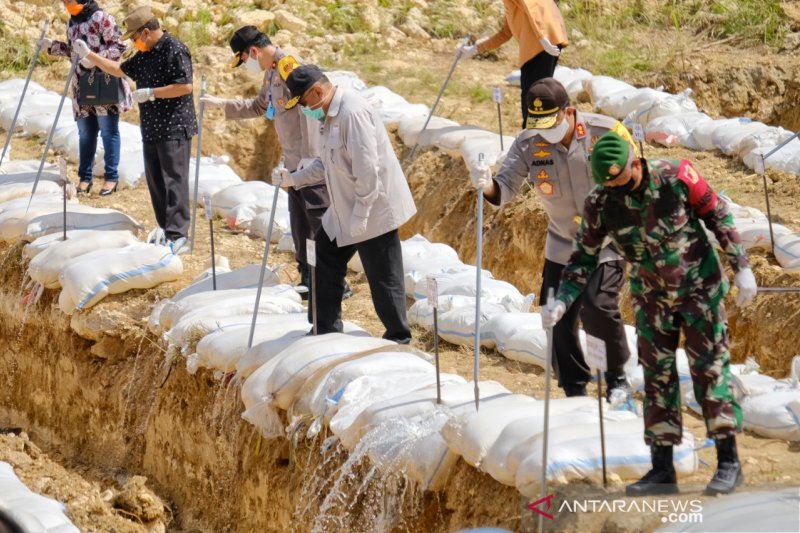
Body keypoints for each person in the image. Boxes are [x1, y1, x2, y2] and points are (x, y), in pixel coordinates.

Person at [543, 131, 757, 496]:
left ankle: (728, 463)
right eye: (609, 185)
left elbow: (717, 213)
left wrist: (742, 265)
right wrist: (563, 301)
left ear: (636, 164)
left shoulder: (676, 176)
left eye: (621, 181)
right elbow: (582, 258)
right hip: (651, 297)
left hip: (698, 290)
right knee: (657, 379)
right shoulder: (601, 202)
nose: (618, 191)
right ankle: (662, 469)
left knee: (710, 372)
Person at [470, 77, 633, 398]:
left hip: (606, 241)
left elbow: (636, 176)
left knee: (597, 306)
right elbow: (504, 190)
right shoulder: (528, 143)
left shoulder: (606, 132)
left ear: (568, 112)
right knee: (554, 315)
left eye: (551, 123)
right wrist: (486, 184)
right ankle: (574, 387)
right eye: (538, 124)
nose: (545, 131)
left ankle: (617, 379)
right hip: (563, 243)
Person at [199, 26, 349, 298]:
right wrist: (221, 104)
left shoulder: (289, 68)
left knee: (319, 222)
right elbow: (260, 106)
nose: (247, 65)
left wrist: (311, 161)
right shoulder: (271, 71)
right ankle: (309, 275)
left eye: (244, 59)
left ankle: (336, 281)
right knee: (300, 223)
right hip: (293, 162)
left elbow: (309, 114)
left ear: (253, 51)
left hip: (308, 165)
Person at [283, 65, 417, 343]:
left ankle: (398, 338)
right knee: (321, 256)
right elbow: (325, 163)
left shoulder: (352, 113)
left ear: (318, 91)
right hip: (344, 208)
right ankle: (325, 328)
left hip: (373, 208)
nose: (306, 110)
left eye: (305, 103)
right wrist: (294, 179)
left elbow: (369, 171)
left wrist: (361, 215)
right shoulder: (328, 116)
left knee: (383, 277)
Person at [72, 5, 197, 253]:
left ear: (147, 32)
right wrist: (90, 56)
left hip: (173, 126)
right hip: (151, 127)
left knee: (174, 180)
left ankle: (179, 234)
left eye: (136, 37)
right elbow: (120, 69)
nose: (135, 43)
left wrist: (152, 93)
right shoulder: (146, 53)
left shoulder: (175, 49)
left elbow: (185, 86)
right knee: (156, 181)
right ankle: (165, 229)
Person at [39, 0, 131, 196]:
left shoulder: (102, 18)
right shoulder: (72, 22)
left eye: (69, 1)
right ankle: (85, 178)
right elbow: (74, 52)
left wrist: (94, 57)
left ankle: (111, 178)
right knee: (85, 132)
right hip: (81, 84)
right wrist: (52, 46)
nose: (66, 5)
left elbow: (120, 47)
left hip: (103, 81)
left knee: (108, 131)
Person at [459, 0, 568, 128]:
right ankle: (535, 135)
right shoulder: (510, 4)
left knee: (535, 96)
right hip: (538, 46)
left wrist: (542, 38)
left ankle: (534, 137)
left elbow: (532, 6)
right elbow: (505, 33)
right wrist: (475, 49)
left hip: (542, 45)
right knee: (534, 95)